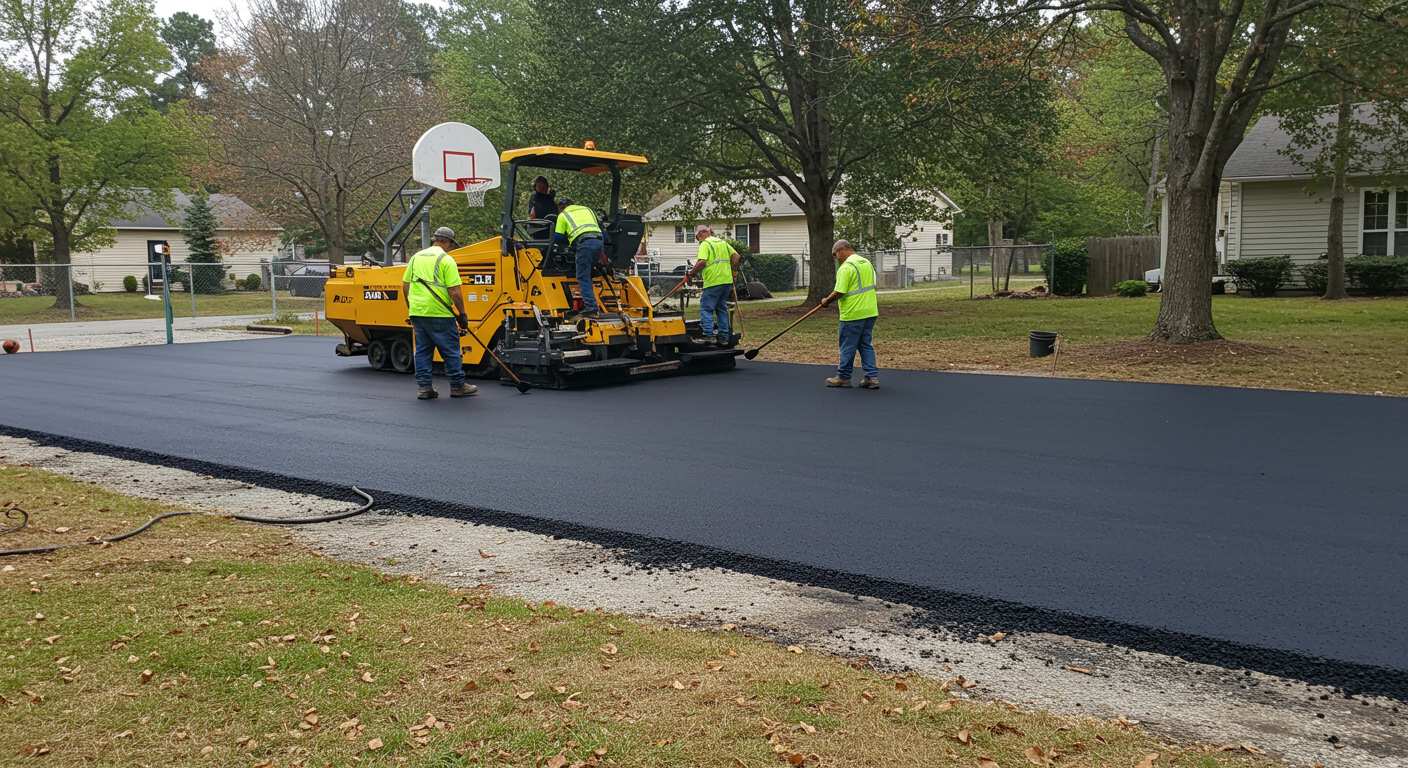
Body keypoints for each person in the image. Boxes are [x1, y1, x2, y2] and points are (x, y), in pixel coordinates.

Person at [402, 227, 478, 400]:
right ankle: (458, 386)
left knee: (422, 351)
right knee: (450, 350)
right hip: (440, 313)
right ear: (447, 242)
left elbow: (405, 286)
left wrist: (411, 308)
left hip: (418, 312)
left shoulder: (415, 258)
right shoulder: (446, 260)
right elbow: (455, 292)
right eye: (451, 244)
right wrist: (463, 314)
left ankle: (424, 388)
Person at [818, 239, 879, 389]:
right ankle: (871, 377)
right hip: (870, 311)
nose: (836, 258)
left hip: (853, 313)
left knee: (847, 346)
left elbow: (839, 291)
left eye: (835, 255)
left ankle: (843, 377)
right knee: (865, 344)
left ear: (841, 250)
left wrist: (826, 301)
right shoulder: (866, 263)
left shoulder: (846, 267)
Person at [683, 224, 740, 346]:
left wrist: (691, 273)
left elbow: (702, 262)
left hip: (713, 282)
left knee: (706, 308)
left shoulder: (705, 244)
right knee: (721, 308)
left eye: (697, 238)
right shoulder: (722, 243)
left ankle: (708, 335)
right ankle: (724, 338)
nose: (698, 240)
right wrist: (734, 273)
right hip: (726, 282)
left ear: (701, 234)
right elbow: (736, 256)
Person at [552, 196, 604, 317]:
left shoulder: (563, 215)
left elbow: (558, 238)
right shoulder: (587, 209)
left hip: (584, 243)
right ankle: (588, 302)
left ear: (561, 208)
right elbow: (599, 227)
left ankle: (591, 307)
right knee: (590, 272)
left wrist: (567, 241)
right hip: (598, 241)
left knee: (582, 276)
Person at [527, 176, 556, 240]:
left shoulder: (550, 199)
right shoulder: (534, 197)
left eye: (544, 187)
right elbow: (532, 215)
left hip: (551, 227)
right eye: (539, 186)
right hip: (538, 228)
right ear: (535, 187)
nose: (542, 189)